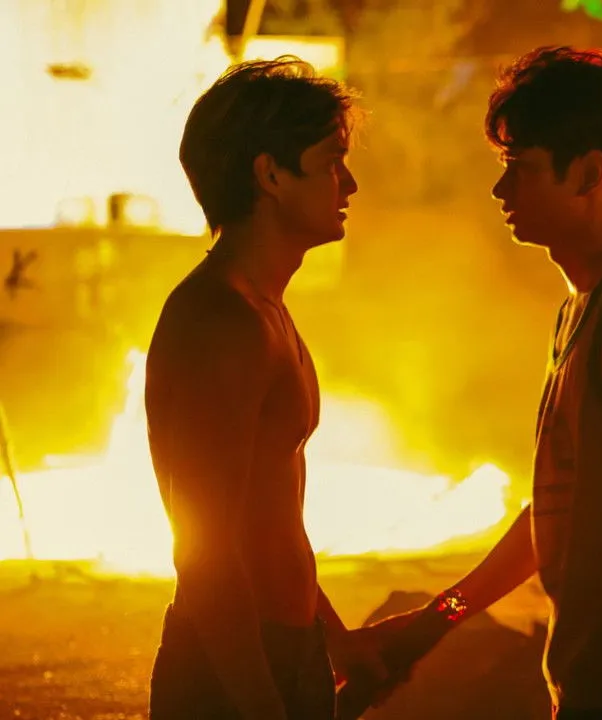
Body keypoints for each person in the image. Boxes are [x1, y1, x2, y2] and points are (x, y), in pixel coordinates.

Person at [351, 47, 602, 720]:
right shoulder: (580, 308)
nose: (500, 191)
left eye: (520, 168)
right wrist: (434, 621)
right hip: (588, 673)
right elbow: (557, 506)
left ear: (589, 173)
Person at [145, 58, 389, 720]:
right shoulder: (221, 323)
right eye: (332, 162)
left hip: (284, 648)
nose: (350, 183)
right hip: (233, 667)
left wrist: (331, 636)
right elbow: (206, 551)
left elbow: (268, 517)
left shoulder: (263, 309)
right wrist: (260, 702)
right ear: (271, 175)